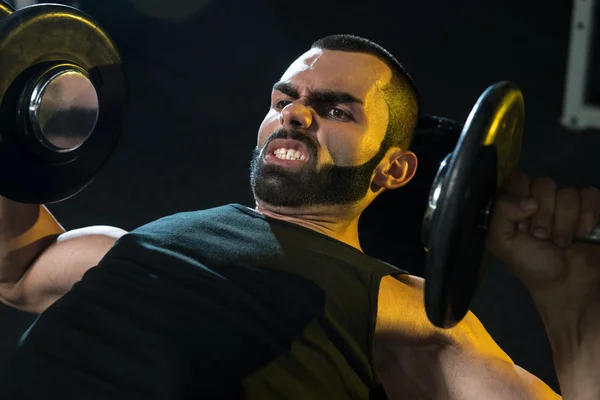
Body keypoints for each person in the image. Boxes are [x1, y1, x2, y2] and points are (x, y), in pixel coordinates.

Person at [0, 34, 598, 399]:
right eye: (284, 100)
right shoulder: (134, 244)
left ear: (394, 169)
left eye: (336, 108)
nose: (295, 116)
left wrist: (572, 299)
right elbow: (17, 270)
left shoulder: (402, 306)